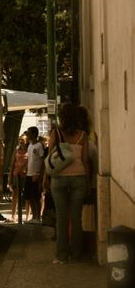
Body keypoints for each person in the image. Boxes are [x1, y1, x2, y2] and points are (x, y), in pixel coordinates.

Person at [48, 103, 91, 264]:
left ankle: (61, 256)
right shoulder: (83, 135)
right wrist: (87, 181)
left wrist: (46, 178)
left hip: (58, 178)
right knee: (76, 218)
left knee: (61, 218)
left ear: (62, 117)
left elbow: (49, 157)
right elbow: (85, 160)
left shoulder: (56, 133)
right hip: (79, 177)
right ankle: (76, 253)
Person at [25, 126, 44, 224]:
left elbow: (42, 160)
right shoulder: (29, 145)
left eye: (28, 133)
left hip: (36, 174)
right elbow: (29, 159)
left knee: (36, 197)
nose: (27, 135)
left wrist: (39, 174)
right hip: (29, 174)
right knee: (30, 197)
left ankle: (38, 217)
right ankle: (33, 216)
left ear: (33, 134)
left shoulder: (39, 145)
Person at [8, 134, 28, 222]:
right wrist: (10, 176)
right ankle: (13, 216)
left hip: (26, 175)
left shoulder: (29, 149)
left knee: (27, 196)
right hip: (16, 174)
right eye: (20, 139)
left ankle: (28, 217)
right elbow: (12, 163)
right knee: (15, 195)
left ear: (26, 140)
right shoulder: (17, 149)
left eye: (22, 139)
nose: (21, 141)